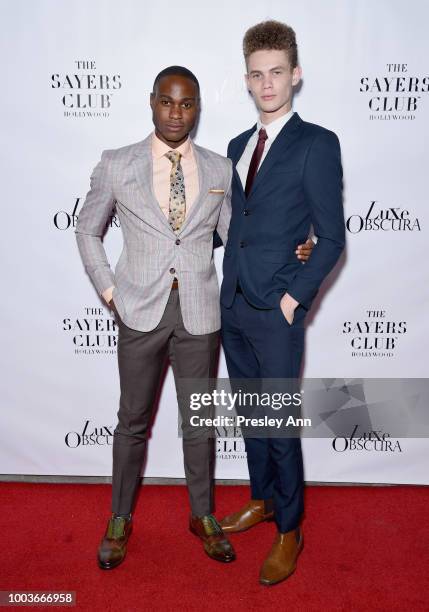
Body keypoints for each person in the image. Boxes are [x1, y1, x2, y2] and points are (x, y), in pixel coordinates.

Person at [75, 64, 314, 571]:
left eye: (186, 104)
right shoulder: (118, 163)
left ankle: (203, 516)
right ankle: (119, 518)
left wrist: (296, 247)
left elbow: (239, 234)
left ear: (197, 109)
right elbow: (87, 230)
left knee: (200, 424)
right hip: (139, 309)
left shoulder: (218, 168)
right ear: (152, 101)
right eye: (167, 101)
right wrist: (110, 291)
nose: (176, 112)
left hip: (201, 313)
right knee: (132, 422)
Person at [219, 20, 345, 586]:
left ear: (295, 75)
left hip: (277, 310)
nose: (266, 84)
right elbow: (235, 226)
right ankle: (264, 500)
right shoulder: (236, 147)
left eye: (277, 73)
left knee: (279, 422)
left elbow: (332, 237)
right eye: (256, 74)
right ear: (246, 79)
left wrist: (296, 297)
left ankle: (290, 528)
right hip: (235, 305)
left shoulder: (317, 142)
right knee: (251, 416)